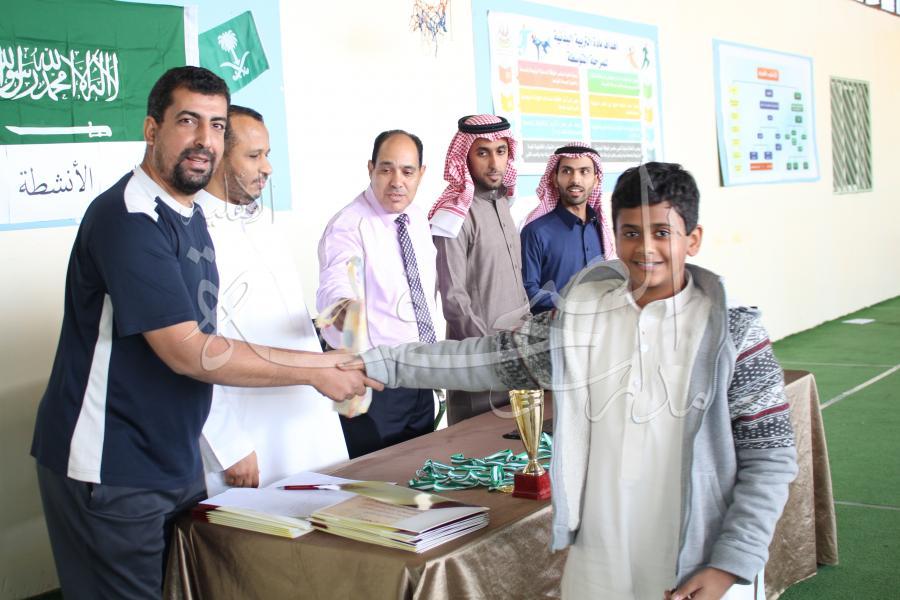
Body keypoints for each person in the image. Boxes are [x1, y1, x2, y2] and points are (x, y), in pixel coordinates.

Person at [352, 162, 798, 600]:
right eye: (631, 233)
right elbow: (480, 360)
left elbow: (771, 458)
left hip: (699, 571)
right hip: (598, 567)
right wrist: (378, 364)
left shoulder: (734, 333)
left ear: (693, 239)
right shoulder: (581, 321)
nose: (645, 248)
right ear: (615, 237)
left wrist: (729, 564)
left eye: (662, 232)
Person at [30, 67, 379, 600]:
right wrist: (316, 369)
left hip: (173, 459)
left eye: (216, 126)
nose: (204, 140)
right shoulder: (129, 219)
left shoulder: (189, 214)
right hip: (111, 465)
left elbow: (211, 336)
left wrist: (324, 356)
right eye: (187, 121)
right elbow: (189, 352)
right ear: (152, 129)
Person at [196, 105, 348, 495]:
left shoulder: (262, 220)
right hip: (252, 438)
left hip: (310, 421)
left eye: (267, 154)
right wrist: (227, 445)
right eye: (253, 156)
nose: (267, 168)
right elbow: (191, 352)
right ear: (217, 157)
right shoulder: (191, 232)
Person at [317, 130, 440, 457]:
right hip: (374, 382)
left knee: (420, 472)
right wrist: (341, 306)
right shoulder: (349, 225)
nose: (397, 181)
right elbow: (336, 277)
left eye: (407, 171)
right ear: (371, 168)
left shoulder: (416, 218)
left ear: (421, 174)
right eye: (386, 170)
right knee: (377, 478)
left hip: (419, 372)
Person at [429, 114, 530, 424]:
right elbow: (454, 301)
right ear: (465, 157)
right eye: (483, 152)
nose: (494, 163)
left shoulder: (504, 205)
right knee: (480, 446)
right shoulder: (453, 216)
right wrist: (492, 353)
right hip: (481, 360)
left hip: (519, 355)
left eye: (501, 151)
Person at [520, 142, 614, 314]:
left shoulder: (600, 229)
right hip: (551, 328)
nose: (575, 180)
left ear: (596, 180)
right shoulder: (535, 232)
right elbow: (527, 290)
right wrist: (570, 303)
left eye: (584, 171)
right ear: (554, 179)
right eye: (567, 171)